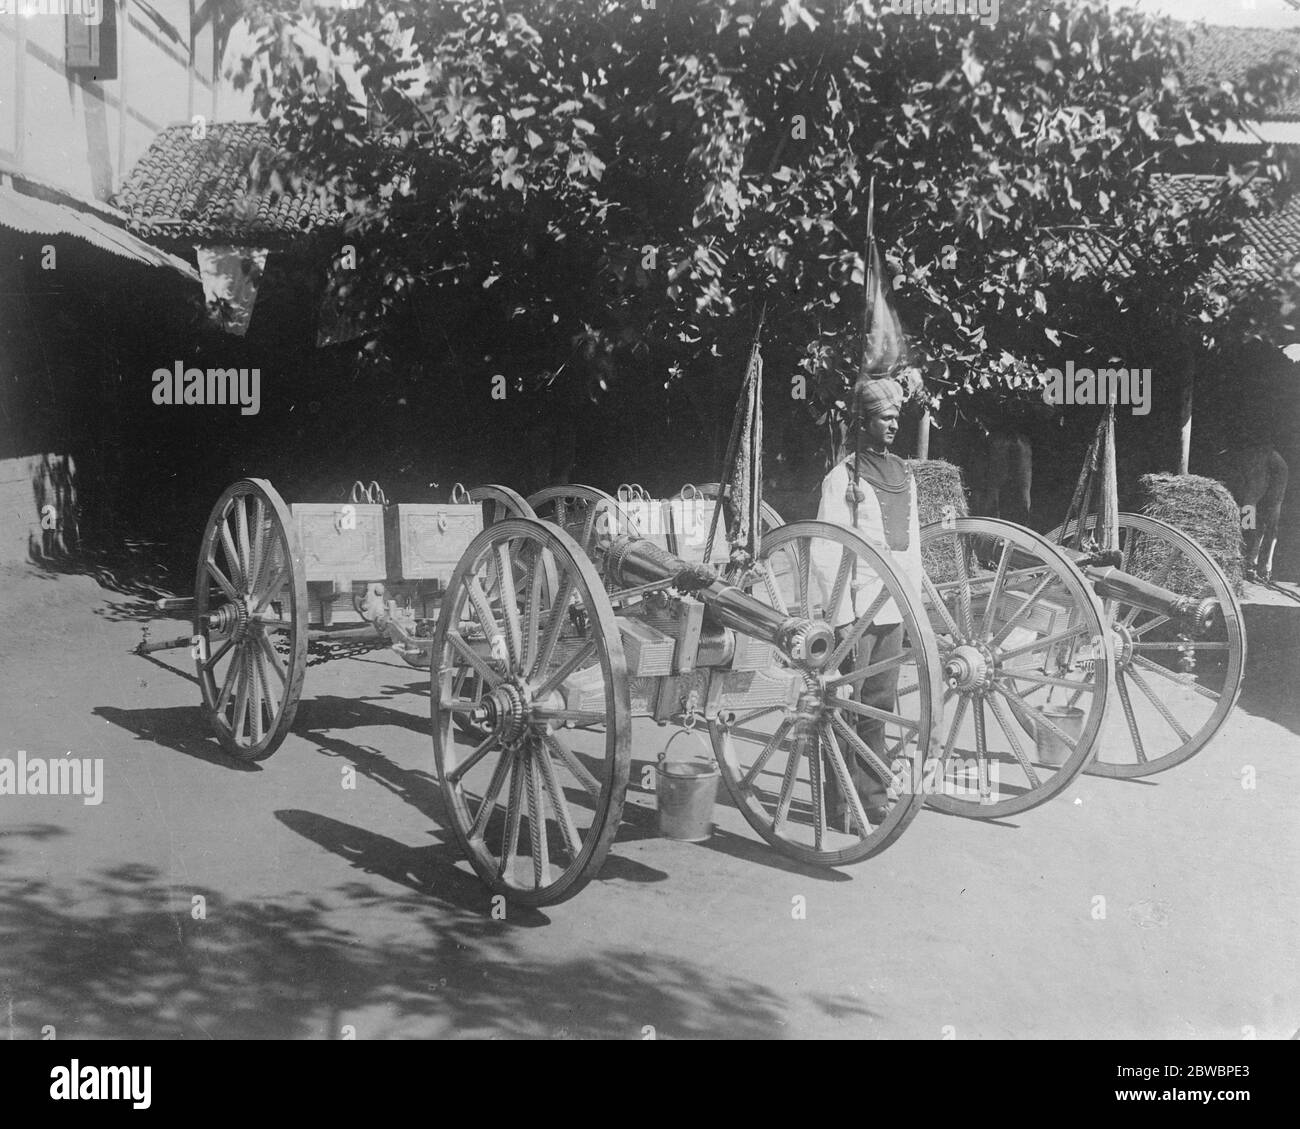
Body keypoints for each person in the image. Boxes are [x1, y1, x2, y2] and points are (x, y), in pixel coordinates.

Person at [812, 374, 924, 833]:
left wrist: (913, 607)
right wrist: (838, 615)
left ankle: (873, 798)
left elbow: (912, 545)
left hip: (893, 608)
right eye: (883, 418)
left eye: (897, 417)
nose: (893, 426)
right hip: (856, 607)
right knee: (846, 707)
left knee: (879, 704)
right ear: (864, 422)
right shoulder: (843, 477)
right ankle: (842, 805)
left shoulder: (903, 474)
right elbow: (825, 548)